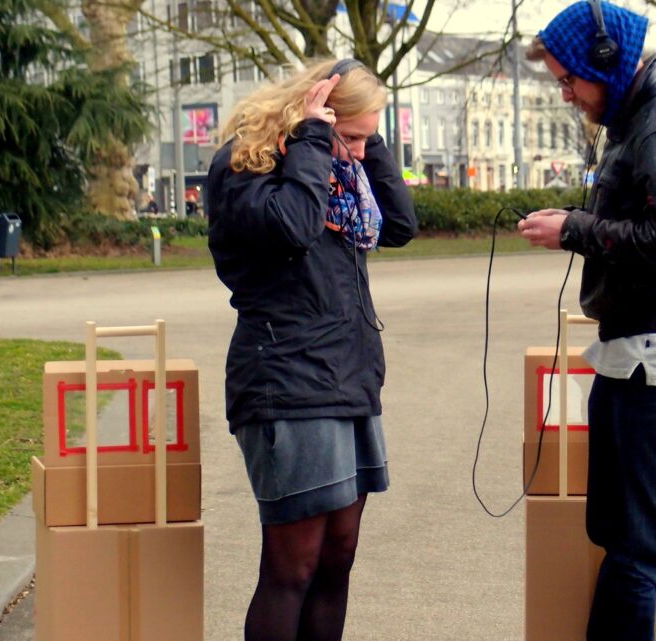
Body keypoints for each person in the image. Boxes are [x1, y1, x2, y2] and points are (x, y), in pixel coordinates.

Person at [517, 2, 656, 640]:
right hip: (637, 353)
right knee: (623, 535)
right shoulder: (639, 117)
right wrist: (577, 224)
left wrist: (574, 229)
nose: (566, 94)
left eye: (568, 79)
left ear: (603, 61)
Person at [206, 59, 417, 641]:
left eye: (366, 139)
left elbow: (400, 224)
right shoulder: (244, 166)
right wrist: (313, 139)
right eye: (350, 137)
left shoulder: (342, 173)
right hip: (286, 379)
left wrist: (365, 141)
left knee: (335, 561)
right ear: (312, 118)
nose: (357, 153)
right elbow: (294, 227)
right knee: (292, 568)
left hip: (349, 377)